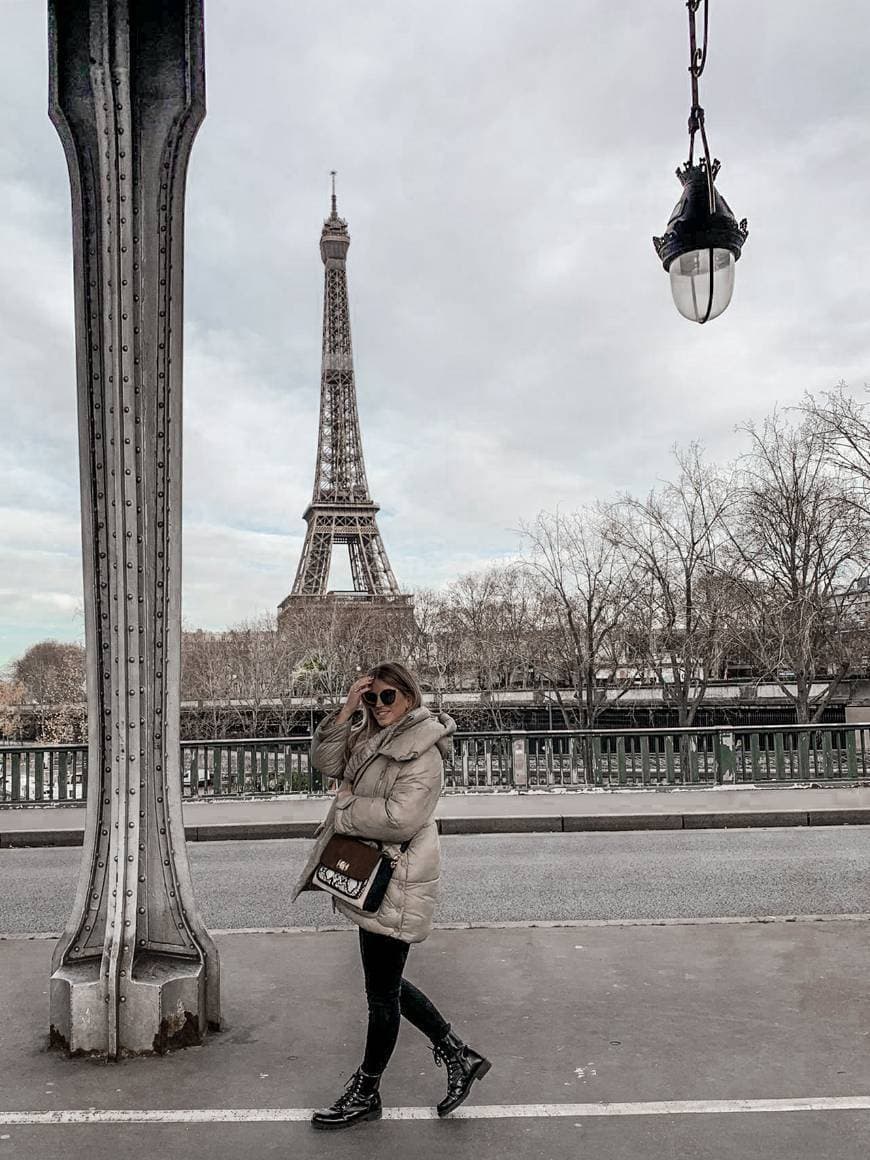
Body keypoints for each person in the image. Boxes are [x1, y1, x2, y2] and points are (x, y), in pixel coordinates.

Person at [292, 661, 491, 1129]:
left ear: (409, 696)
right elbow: (325, 764)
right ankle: (458, 1055)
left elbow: (401, 818)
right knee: (384, 985)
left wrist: (343, 807)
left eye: (388, 697)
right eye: (372, 697)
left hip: (398, 878)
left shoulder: (423, 750)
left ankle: (367, 1090)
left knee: (381, 994)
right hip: (376, 875)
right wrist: (345, 713)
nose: (379, 706)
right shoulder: (369, 737)